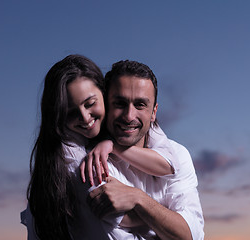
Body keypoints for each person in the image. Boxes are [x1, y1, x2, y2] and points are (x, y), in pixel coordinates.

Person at [21, 54, 179, 239]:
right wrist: (165, 214)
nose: (85, 117)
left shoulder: (133, 125)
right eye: (71, 112)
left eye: (90, 104)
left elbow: (169, 165)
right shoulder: (75, 159)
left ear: (104, 95)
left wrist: (113, 146)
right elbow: (118, 216)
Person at [87, 60, 205, 239]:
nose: (129, 116)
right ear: (106, 105)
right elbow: (114, 232)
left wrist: (138, 198)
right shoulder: (93, 160)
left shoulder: (178, 154)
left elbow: (190, 234)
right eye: (119, 103)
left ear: (154, 112)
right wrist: (167, 215)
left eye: (140, 105)